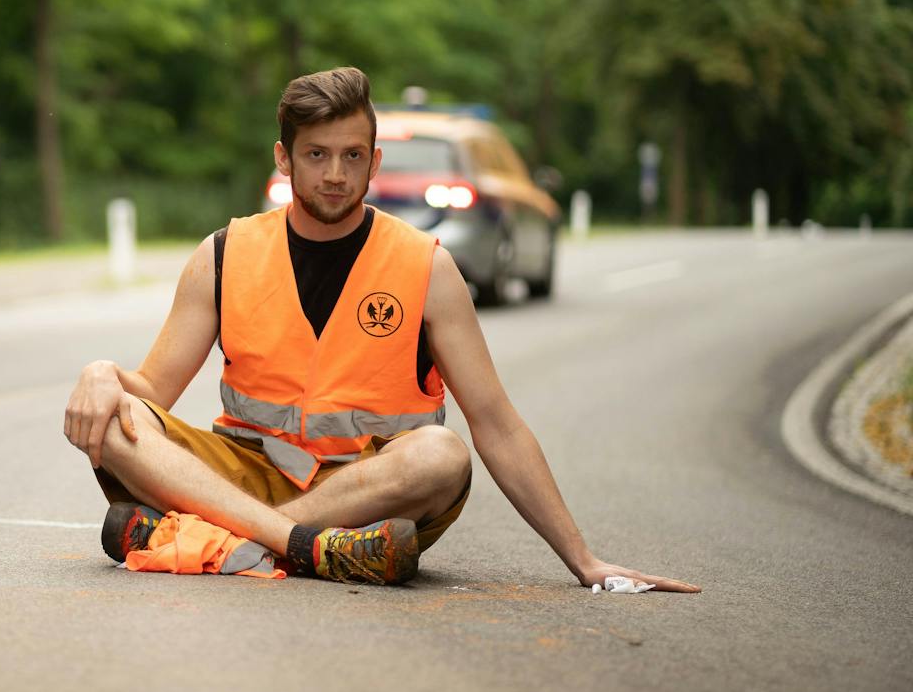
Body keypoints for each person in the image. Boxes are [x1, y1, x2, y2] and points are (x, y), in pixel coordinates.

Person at [64, 68, 699, 591]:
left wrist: (583, 561)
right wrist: (100, 374)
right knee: (120, 420)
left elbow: (496, 424)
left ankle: (220, 542)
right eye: (316, 155)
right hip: (245, 469)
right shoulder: (225, 253)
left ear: (375, 161)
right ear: (284, 159)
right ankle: (310, 550)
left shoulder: (428, 267)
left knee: (443, 456)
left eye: (352, 156)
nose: (335, 174)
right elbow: (150, 391)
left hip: (368, 491)